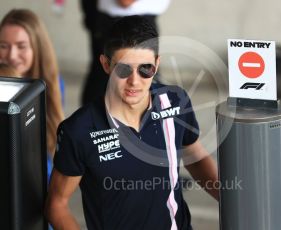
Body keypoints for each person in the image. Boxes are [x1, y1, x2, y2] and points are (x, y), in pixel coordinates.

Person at [45, 15, 218, 230]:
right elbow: (57, 204)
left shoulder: (175, 101)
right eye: (124, 69)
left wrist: (231, 199)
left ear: (157, 64)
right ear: (106, 65)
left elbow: (194, 155)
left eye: (145, 69)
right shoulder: (79, 130)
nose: (134, 81)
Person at [0, 9, 64, 174]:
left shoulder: (53, 83)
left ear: (37, 47)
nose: (12, 55)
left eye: (21, 46)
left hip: (41, 175)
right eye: (3, 46)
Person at [80, 0, 171, 105]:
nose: (134, 81)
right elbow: (125, 2)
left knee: (145, 88)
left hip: (137, 19)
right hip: (116, 19)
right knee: (106, 86)